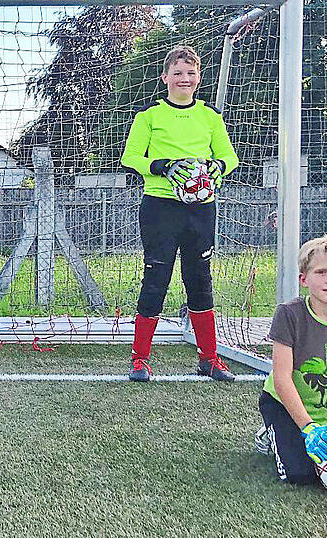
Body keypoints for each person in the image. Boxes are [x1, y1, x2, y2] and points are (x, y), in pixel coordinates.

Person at [120, 45, 239, 382]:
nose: (184, 78)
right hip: (160, 207)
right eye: (177, 73)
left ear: (198, 78)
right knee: (156, 279)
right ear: (165, 77)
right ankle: (140, 359)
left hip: (201, 208)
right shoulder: (150, 116)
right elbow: (131, 158)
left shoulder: (210, 116)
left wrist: (215, 166)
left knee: (199, 280)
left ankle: (210, 358)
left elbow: (230, 158)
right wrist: (164, 166)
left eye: (190, 73)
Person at [254, 236, 327, 486]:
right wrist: (309, 428)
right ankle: (273, 432)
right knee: (300, 475)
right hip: (286, 404)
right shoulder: (289, 314)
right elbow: (283, 377)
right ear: (304, 280)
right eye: (321, 272)